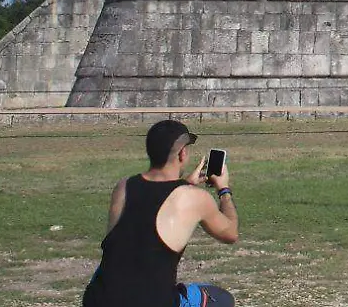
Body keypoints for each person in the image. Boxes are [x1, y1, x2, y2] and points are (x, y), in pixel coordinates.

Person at [82, 119, 239, 307]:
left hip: (98, 299)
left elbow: (150, 206)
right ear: (182, 154)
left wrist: (185, 184)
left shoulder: (123, 187)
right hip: (151, 301)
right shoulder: (194, 198)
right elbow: (230, 233)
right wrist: (224, 190)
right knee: (221, 300)